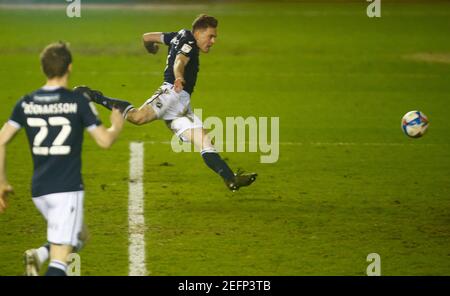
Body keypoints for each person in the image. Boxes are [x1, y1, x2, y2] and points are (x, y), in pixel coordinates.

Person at [75, 14, 257, 192]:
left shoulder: (178, 35)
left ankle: (230, 178)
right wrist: (178, 77)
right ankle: (93, 95)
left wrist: (150, 48)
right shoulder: (189, 44)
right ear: (199, 32)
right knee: (137, 117)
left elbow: (147, 37)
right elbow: (179, 62)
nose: (213, 41)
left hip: (182, 104)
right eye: (211, 36)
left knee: (205, 141)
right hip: (171, 93)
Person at [0, 42, 124, 276]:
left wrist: (1, 181)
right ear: (69, 67)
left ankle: (39, 254)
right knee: (61, 262)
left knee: (81, 235)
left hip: (39, 191)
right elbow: (104, 141)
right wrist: (116, 125)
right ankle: (48, 259)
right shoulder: (77, 101)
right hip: (65, 191)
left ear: (43, 69)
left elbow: (1, 140)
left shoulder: (26, 102)